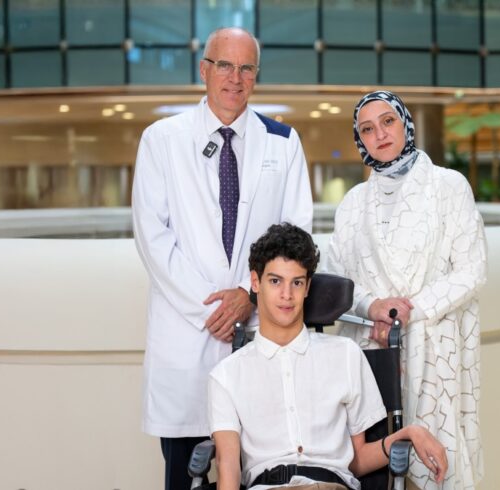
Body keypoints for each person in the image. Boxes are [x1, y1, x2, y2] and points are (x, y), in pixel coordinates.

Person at [131, 27, 313, 490]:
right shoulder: (162, 139)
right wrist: (215, 308)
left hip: (258, 334)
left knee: (260, 470)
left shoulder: (282, 141)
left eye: (246, 68)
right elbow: (153, 238)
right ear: (204, 70)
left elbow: (296, 236)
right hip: (187, 335)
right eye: (225, 66)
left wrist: (249, 297)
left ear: (256, 75)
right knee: (183, 472)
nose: (235, 78)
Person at [325, 91, 487, 490]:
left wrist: (404, 311)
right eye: (367, 129)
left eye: (388, 122)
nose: (379, 134)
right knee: (375, 465)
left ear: (405, 124)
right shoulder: (352, 204)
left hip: (433, 348)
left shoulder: (448, 186)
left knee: (438, 463)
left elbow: (472, 269)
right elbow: (334, 278)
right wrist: (373, 307)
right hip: (372, 352)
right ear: (359, 139)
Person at [208, 223, 448, 490]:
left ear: (307, 287)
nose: (287, 295)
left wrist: (410, 433)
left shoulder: (345, 355)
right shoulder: (226, 376)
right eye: (275, 281)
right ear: (255, 282)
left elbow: (356, 461)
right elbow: (227, 466)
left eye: (297, 282)